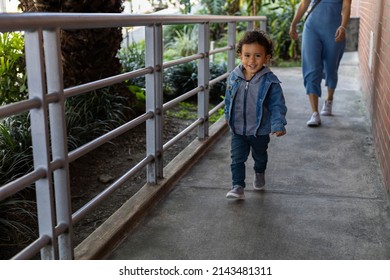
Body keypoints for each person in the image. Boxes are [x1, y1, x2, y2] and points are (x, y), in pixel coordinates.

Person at [224, 30, 287, 200]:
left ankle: (260, 172)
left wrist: (278, 124)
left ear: (267, 57)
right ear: (240, 55)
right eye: (247, 55)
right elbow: (229, 99)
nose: (252, 61)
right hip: (238, 130)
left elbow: (277, 105)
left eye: (257, 55)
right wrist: (227, 118)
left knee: (260, 156)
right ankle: (237, 186)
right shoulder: (234, 77)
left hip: (260, 130)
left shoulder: (270, 81)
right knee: (237, 158)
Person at [289, 0, 352, 126]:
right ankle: (315, 113)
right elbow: (304, 3)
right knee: (311, 68)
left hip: (334, 29)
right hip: (312, 28)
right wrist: (294, 24)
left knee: (331, 67)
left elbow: (346, 6)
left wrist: (343, 26)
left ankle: (329, 99)